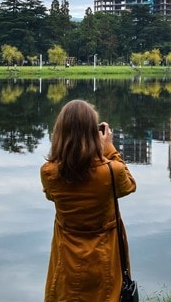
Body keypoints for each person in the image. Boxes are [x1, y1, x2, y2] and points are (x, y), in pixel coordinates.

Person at [41, 99, 137, 302]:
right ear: (93, 134)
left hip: (66, 254)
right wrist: (109, 148)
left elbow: (51, 195)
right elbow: (128, 186)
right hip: (105, 253)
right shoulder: (111, 170)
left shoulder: (49, 172)